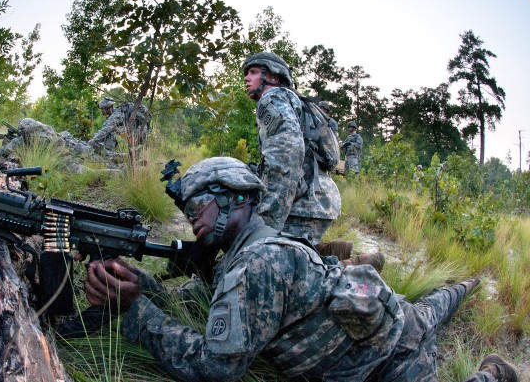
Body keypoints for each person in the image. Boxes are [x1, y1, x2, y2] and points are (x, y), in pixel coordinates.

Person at [84, 157, 518, 382]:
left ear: (236, 197)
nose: (191, 219)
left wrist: (138, 310)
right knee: (436, 304)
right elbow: (214, 309)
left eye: (198, 204)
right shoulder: (249, 247)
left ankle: (498, 370)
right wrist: (144, 287)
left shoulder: (257, 263)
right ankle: (468, 283)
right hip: (384, 317)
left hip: (386, 361)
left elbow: (213, 369)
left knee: (431, 315)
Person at [242, 52, 381, 267]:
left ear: (273, 77)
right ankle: (339, 253)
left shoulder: (273, 98)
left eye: (252, 72)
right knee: (295, 255)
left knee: (275, 266)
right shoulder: (296, 102)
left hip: (304, 203)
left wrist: (266, 220)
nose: (246, 78)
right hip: (319, 200)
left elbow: (285, 158)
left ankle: (357, 267)